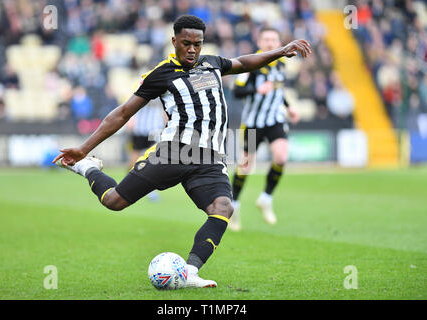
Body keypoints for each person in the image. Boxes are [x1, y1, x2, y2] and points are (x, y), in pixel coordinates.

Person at [53, 15, 311, 288]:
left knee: (222, 208)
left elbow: (245, 62)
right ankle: (88, 167)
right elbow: (122, 113)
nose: (192, 49)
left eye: (197, 44)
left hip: (209, 158)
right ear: (174, 41)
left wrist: (281, 51)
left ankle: (189, 272)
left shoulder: (212, 63)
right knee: (114, 201)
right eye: (186, 43)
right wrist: (83, 150)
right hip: (174, 152)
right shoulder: (161, 74)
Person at [230, 28, 300, 231]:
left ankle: (266, 198)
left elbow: (278, 90)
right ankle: (233, 206)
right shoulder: (251, 63)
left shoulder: (281, 62)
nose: (270, 43)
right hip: (253, 122)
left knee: (281, 156)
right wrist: (256, 89)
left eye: (274, 39)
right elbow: (237, 91)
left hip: (275, 120)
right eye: (266, 39)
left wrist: (289, 107)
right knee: (246, 166)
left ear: (279, 41)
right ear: (259, 41)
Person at [127, 97, 165, 202]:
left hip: (155, 129)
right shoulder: (143, 86)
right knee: (134, 159)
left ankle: (150, 190)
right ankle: (130, 183)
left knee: (153, 159)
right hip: (140, 129)